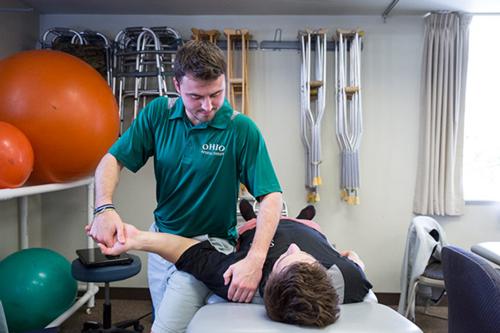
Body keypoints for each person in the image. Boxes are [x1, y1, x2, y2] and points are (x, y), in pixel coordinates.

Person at [87, 40, 283, 332]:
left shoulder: (241, 129)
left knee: (168, 328)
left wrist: (256, 259)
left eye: (216, 94)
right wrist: (104, 207)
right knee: (163, 315)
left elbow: (271, 196)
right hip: (160, 241)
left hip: (208, 246)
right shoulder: (158, 114)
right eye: (196, 96)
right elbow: (112, 160)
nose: (208, 106)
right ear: (177, 86)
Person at [98, 200, 373, 328]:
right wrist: (346, 255)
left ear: (269, 280)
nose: (293, 247)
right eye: (307, 258)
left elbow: (187, 252)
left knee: (249, 217)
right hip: (308, 227)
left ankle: (250, 213)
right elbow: (353, 259)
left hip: (255, 229)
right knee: (295, 213)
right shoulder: (348, 280)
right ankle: (291, 215)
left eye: (287, 258)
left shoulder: (240, 277)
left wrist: (137, 239)